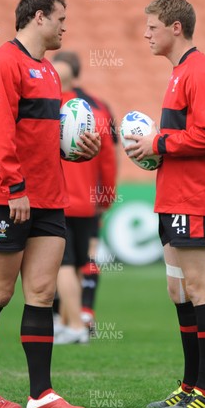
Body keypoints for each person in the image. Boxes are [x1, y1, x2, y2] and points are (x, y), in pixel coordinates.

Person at [0, 0, 100, 408]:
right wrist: (14, 187)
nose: (65, 26)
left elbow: (43, 138)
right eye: (61, 18)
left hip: (47, 197)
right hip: (7, 196)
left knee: (41, 292)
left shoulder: (48, 71)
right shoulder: (3, 64)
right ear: (38, 17)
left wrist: (79, 148)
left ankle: (41, 394)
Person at [125, 0, 205, 408]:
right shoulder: (179, 73)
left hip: (196, 198)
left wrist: (158, 143)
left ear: (175, 28)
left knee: (202, 290)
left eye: (151, 26)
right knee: (179, 291)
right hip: (173, 196)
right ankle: (189, 385)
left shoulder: (200, 74)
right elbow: (183, 138)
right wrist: (154, 152)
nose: (146, 34)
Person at [50, 53, 117, 344]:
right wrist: (106, 197)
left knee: (62, 265)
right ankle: (71, 320)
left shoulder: (46, 111)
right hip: (88, 202)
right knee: (82, 262)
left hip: (56, 200)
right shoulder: (98, 114)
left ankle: (75, 324)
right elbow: (109, 161)